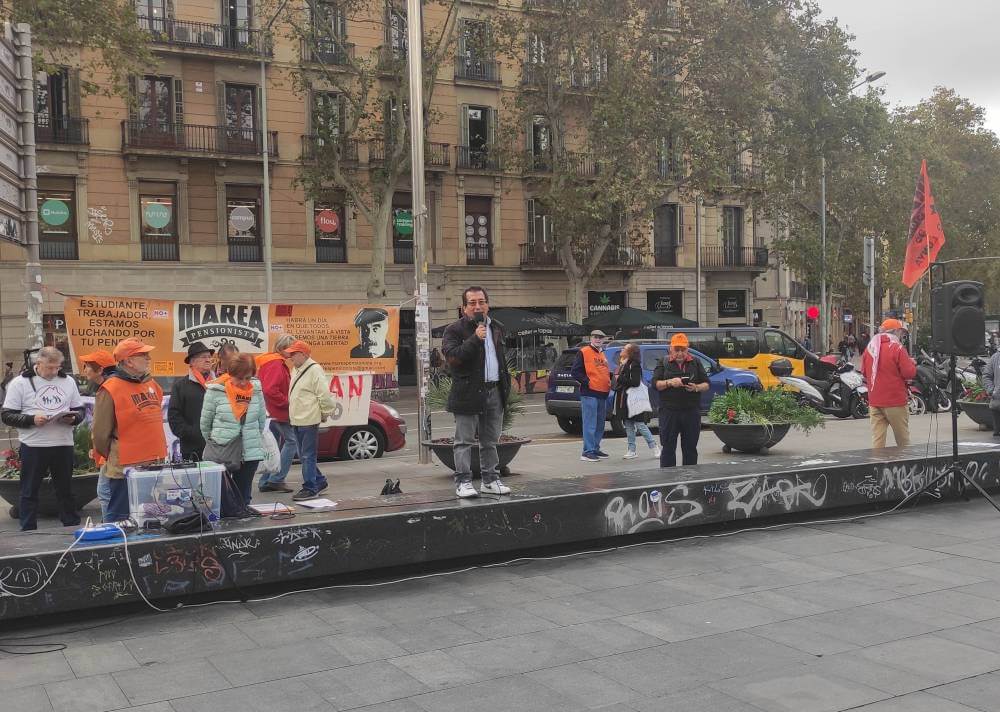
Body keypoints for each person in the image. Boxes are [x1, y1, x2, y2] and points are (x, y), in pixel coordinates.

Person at [1, 347, 85, 530]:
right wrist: (31, 419)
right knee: (29, 490)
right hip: (33, 444)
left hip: (63, 442)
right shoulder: (20, 383)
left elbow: (80, 410)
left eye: (57, 367)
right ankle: (28, 527)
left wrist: (74, 418)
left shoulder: (68, 381)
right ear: (38, 364)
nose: (54, 372)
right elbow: (7, 415)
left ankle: (71, 524)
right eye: (50, 367)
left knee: (66, 489)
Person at [441, 286, 512, 498]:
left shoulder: (497, 328)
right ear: (464, 308)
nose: (477, 306)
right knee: (464, 441)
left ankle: (490, 479)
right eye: (472, 303)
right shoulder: (454, 330)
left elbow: (499, 360)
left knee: (490, 440)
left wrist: (505, 385)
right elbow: (453, 358)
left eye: (481, 302)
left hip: (493, 391)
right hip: (467, 392)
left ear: (488, 305)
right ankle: (463, 481)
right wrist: (474, 338)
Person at [92, 338, 168, 523]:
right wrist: (113, 455)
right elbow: (100, 433)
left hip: (153, 460)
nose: (149, 358)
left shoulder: (152, 384)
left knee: (149, 512)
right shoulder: (110, 388)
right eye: (143, 355)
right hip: (125, 464)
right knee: (120, 514)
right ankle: (115, 550)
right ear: (128, 361)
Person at [200, 354, 267, 514]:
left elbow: (261, 421)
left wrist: (249, 438)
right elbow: (205, 425)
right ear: (230, 374)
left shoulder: (256, 390)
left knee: (243, 497)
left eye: (248, 377)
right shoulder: (215, 391)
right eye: (239, 378)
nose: (244, 382)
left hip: (250, 450)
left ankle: (243, 527)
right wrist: (218, 441)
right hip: (223, 449)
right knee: (222, 497)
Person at [286, 340, 334, 501]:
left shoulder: (314, 370)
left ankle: (310, 487)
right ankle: (318, 481)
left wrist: (326, 412)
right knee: (304, 454)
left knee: (307, 455)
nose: (291, 357)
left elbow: (324, 394)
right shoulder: (296, 369)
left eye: (294, 354)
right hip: (298, 418)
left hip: (308, 418)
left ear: (303, 354)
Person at [653, 333, 709, 467]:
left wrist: (696, 387)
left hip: (691, 412)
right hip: (669, 412)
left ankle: (689, 480)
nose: (680, 353)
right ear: (670, 349)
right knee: (668, 448)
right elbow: (655, 384)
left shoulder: (696, 362)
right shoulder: (663, 362)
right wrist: (670, 382)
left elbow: (706, 384)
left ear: (687, 349)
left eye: (683, 350)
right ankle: (668, 481)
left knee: (690, 449)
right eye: (676, 350)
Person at [861, 318, 917, 448]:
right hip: (895, 401)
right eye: (901, 333)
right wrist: (911, 363)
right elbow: (909, 373)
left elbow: (864, 372)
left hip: (875, 401)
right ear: (896, 331)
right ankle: (906, 466)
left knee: (878, 441)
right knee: (903, 441)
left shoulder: (870, 348)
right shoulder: (897, 348)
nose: (901, 336)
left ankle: (877, 466)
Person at [255, 334, 297, 493]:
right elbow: (270, 389)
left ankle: (265, 480)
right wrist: (287, 403)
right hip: (277, 412)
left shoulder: (268, 361)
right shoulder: (276, 364)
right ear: (282, 348)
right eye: (290, 348)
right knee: (292, 442)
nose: (293, 352)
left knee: (272, 445)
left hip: (269, 411)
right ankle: (276, 479)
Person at [79, 350, 116, 521]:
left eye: (87, 366)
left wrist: (101, 451)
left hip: (113, 453)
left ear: (100, 370)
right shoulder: (110, 386)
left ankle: (109, 526)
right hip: (112, 451)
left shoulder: (108, 389)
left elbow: (103, 429)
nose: (84, 370)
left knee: (105, 492)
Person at [167, 341, 215, 462]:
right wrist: (192, 433)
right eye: (204, 357)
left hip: (218, 448)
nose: (208, 360)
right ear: (192, 361)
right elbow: (174, 416)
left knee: (217, 481)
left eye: (209, 356)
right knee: (191, 481)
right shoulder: (181, 386)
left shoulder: (219, 383)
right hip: (192, 448)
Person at [613, 343, 660, 460]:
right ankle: (631, 450)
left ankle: (654, 447)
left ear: (630, 352)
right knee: (628, 424)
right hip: (624, 399)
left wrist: (620, 377)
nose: (621, 349)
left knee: (640, 424)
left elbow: (635, 382)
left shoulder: (635, 365)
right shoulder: (624, 364)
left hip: (634, 399)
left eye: (624, 348)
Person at [571, 330, 611, 463]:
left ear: (604, 339)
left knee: (599, 424)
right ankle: (587, 452)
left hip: (602, 392)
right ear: (591, 338)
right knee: (590, 423)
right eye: (595, 337)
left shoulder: (602, 353)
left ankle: (594, 448)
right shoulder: (584, 351)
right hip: (590, 392)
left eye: (600, 337)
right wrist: (588, 382)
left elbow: (603, 371)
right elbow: (575, 371)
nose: (598, 339)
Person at [982, 343, 1000, 438]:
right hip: (998, 405)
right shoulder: (995, 357)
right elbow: (986, 376)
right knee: (997, 439)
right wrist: (992, 390)